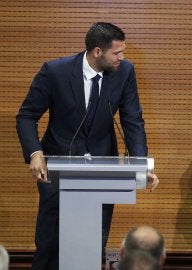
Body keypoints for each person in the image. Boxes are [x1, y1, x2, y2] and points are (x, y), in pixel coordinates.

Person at [16, 22, 159, 270]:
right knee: (50, 243)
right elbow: (26, 116)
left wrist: (140, 167)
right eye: (116, 53)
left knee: (93, 243)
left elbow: (133, 120)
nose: (121, 58)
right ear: (97, 52)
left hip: (102, 172)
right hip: (57, 170)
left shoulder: (125, 71)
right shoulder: (55, 71)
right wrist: (35, 153)